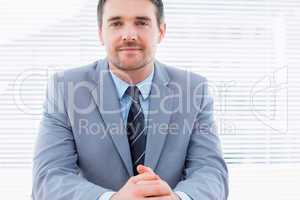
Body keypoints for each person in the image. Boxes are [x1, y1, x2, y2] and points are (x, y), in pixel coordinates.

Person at [32, 0, 229, 199]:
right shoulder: (65, 88)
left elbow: (210, 171)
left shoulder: (194, 89)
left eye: (141, 22)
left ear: (161, 31)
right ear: (101, 33)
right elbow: (49, 177)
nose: (129, 35)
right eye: (116, 23)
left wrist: (176, 198)